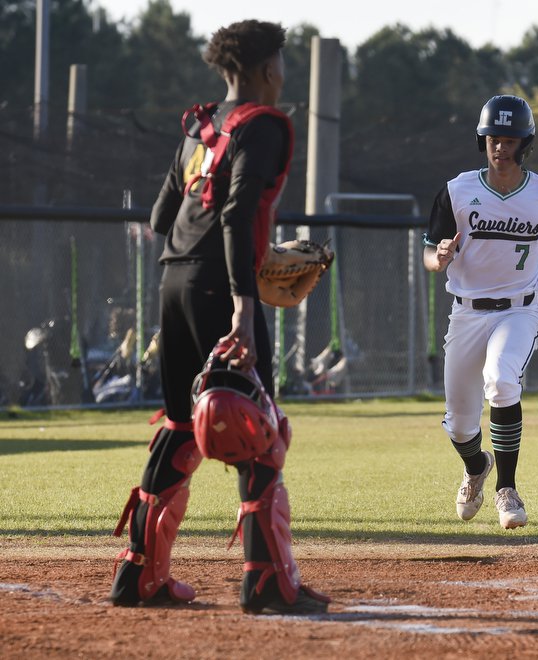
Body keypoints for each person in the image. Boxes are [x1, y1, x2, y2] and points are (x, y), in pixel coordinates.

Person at [109, 20, 329, 614]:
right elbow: (235, 215)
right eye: (281, 63)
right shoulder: (264, 125)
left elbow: (162, 216)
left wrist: (237, 262)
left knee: (182, 426)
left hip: (174, 279)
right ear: (266, 69)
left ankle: (138, 576)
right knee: (261, 430)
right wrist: (243, 299)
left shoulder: (198, 126)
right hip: (217, 290)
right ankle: (266, 583)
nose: (284, 74)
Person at [423, 94, 538, 529]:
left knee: (500, 379)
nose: (501, 148)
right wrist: (439, 255)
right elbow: (428, 254)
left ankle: (507, 489)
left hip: (519, 311)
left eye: (510, 140)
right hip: (466, 313)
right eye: (494, 139)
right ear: (483, 141)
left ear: (524, 143)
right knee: (459, 425)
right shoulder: (457, 190)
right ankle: (478, 467)